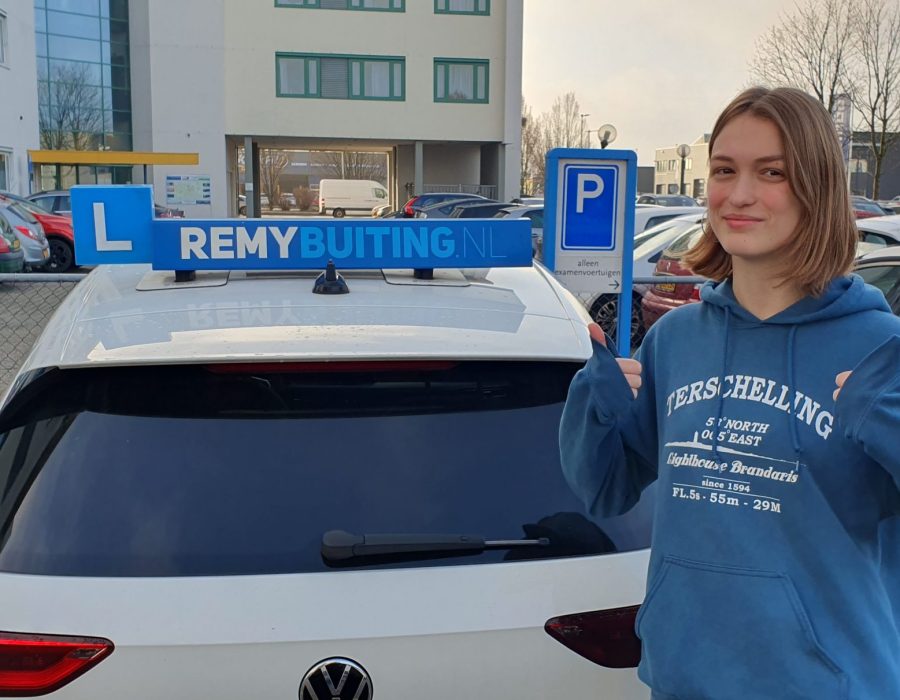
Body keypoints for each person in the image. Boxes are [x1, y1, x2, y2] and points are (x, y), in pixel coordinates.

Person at [560, 86, 900, 699]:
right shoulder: (676, 340)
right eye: (724, 170)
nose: (739, 194)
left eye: (772, 172)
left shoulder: (883, 350)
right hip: (683, 679)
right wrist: (594, 401)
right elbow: (606, 490)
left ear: (817, 188)